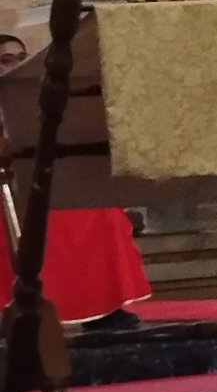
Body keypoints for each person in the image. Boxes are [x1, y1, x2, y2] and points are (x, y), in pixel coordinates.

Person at [0, 34, 151, 329]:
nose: (17, 66)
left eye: (22, 58)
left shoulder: (45, 97)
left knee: (103, 210)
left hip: (51, 184)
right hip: (10, 191)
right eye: (7, 60)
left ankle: (106, 305)